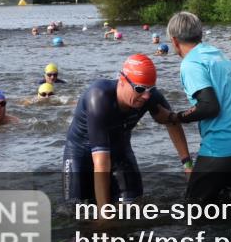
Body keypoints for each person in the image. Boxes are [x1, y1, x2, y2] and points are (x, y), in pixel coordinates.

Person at [62, 54, 191, 207]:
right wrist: (104, 211)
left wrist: (188, 166)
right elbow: (101, 162)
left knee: (132, 207)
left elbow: (171, 122)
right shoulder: (99, 97)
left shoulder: (150, 96)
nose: (146, 96)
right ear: (122, 81)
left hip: (119, 150)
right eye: (140, 89)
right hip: (80, 153)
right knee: (76, 210)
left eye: (151, 89)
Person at [165, 12, 231, 205]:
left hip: (222, 149)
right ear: (200, 34)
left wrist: (176, 117)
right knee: (230, 209)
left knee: (194, 210)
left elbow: (209, 107)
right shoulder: (218, 55)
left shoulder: (191, 63)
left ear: (174, 41)